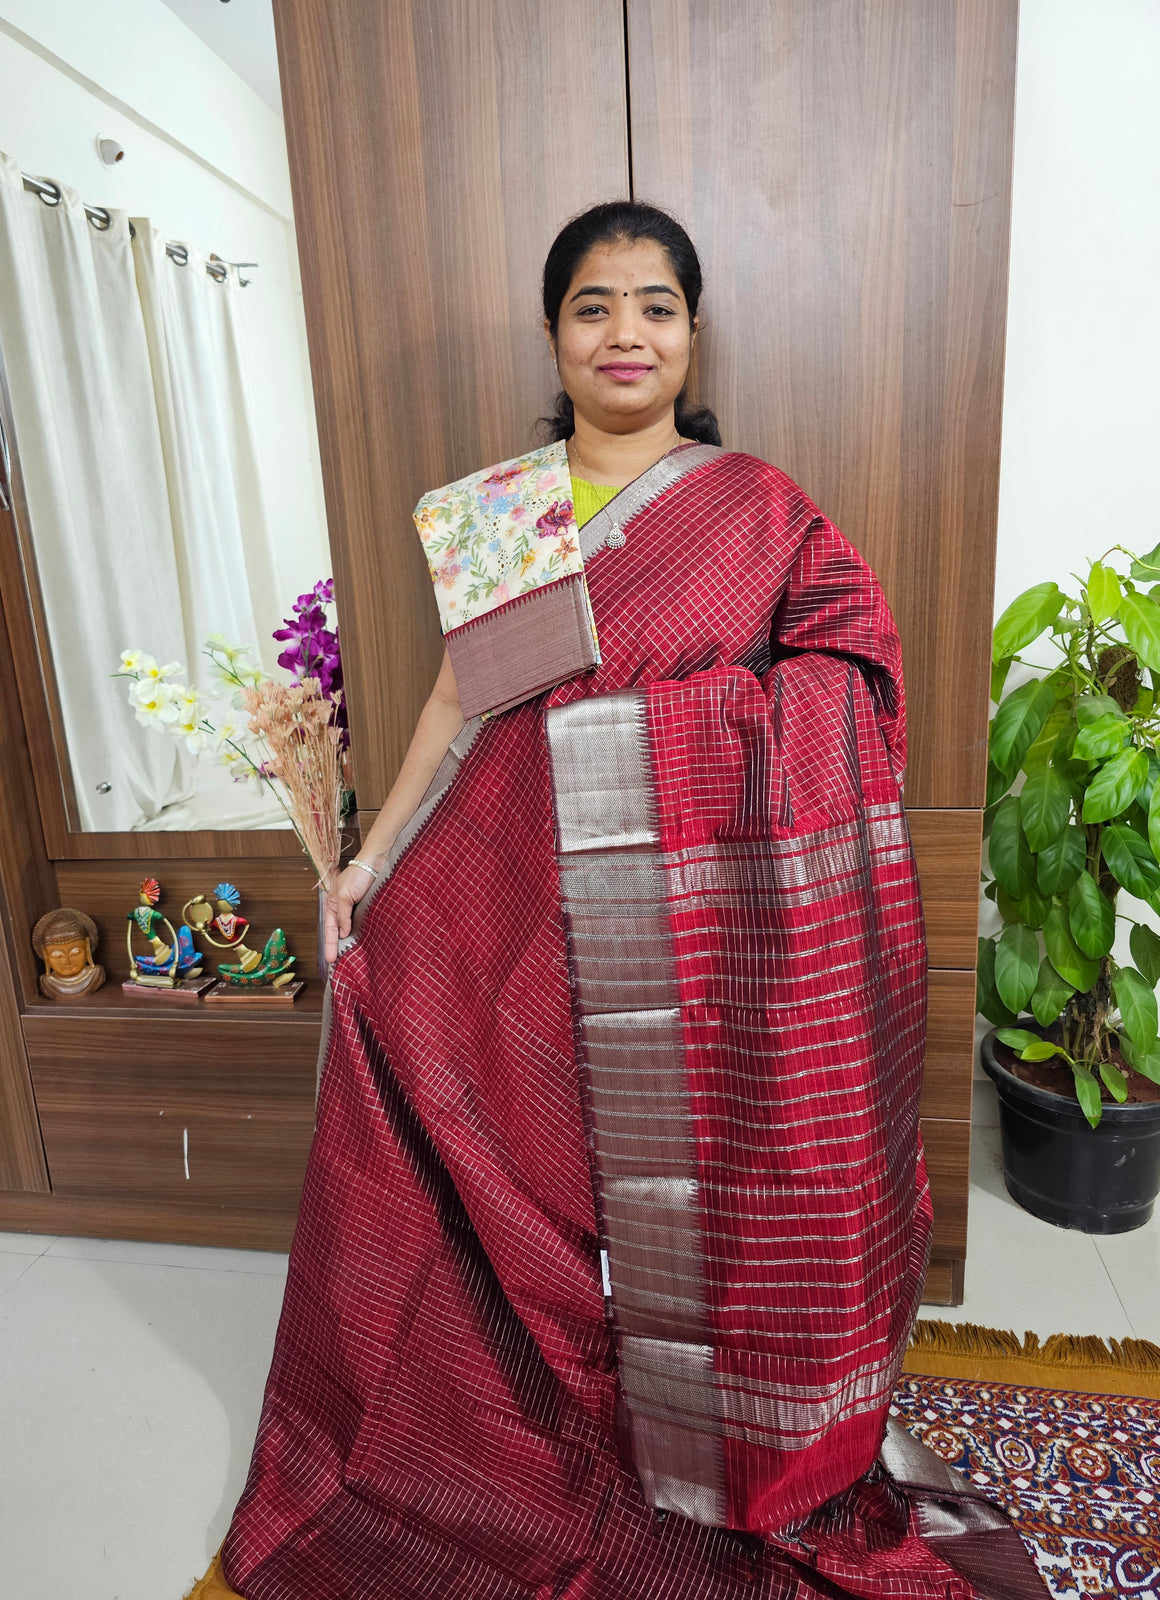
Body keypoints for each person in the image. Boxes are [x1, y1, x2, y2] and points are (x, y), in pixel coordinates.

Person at [190, 203, 1045, 1599]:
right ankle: (528, 1448)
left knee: (676, 1215)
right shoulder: (509, 514)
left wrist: (672, 739)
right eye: (594, 306)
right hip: (521, 914)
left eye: (655, 304)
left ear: (691, 332)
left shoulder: (757, 507)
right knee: (496, 1163)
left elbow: (853, 678)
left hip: (704, 955)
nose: (625, 332)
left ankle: (700, 1451)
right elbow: (465, 702)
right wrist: (370, 860)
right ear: (555, 334)